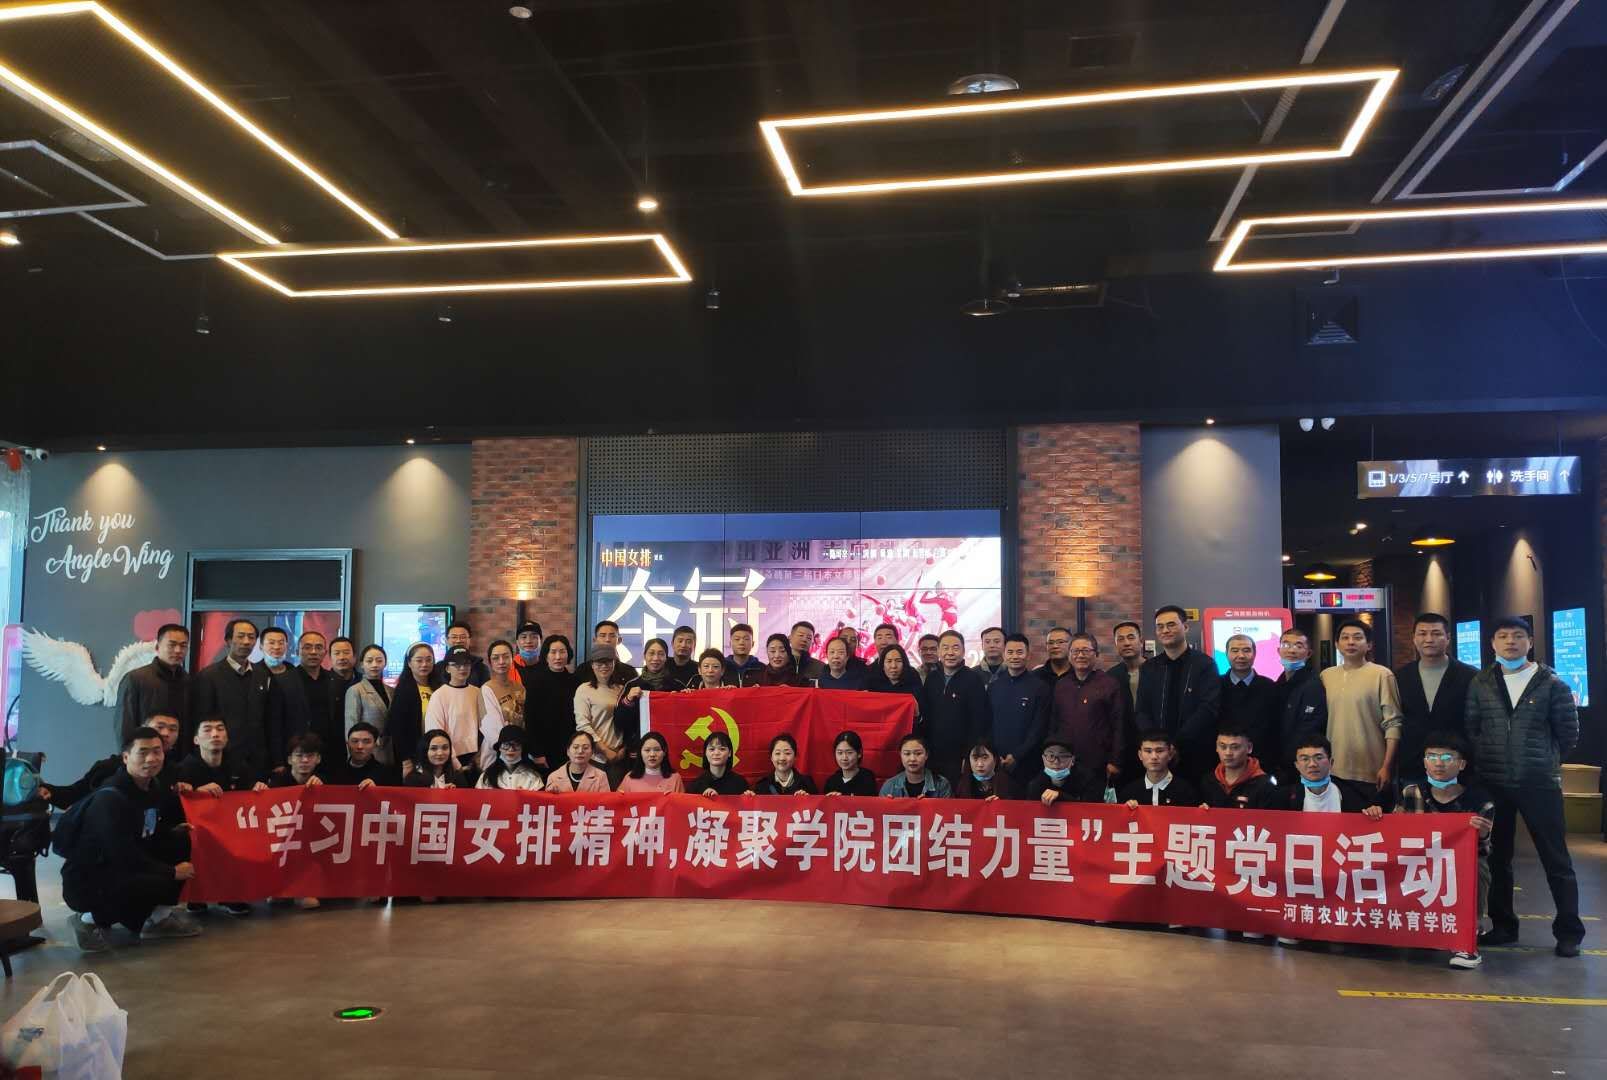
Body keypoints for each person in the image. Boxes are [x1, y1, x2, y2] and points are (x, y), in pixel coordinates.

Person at [1467, 616, 1584, 957]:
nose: (1510, 642)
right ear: (1492, 643)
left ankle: (1569, 932)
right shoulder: (1481, 682)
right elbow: (1472, 727)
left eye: (1518, 636)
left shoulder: (1551, 683)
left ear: (1530, 642)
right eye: (1503, 636)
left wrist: (1542, 761)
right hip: (1494, 782)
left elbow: (1568, 734)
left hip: (1539, 783)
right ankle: (1504, 926)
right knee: (1497, 858)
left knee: (1556, 858)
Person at [61, 726, 200, 953]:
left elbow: (145, 831)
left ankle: (158, 920)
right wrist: (171, 872)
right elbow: (122, 854)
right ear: (126, 757)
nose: (151, 759)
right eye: (142, 752)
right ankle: (88, 920)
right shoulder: (110, 798)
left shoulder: (151, 787)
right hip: (88, 879)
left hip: (119, 864)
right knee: (157, 879)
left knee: (181, 841)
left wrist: (171, 833)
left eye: (156, 751)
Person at [1398, 731, 1496, 969]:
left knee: (1478, 867)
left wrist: (1483, 835)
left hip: (1457, 868)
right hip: (1419, 865)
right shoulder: (1411, 793)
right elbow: (1394, 835)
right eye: (1432, 757)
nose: (1438, 763)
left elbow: (1484, 851)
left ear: (1461, 764)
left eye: (1447, 757)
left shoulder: (1480, 801)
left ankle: (1466, 942)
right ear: (1424, 762)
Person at [173, 716, 256, 917]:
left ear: (226, 738)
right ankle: (198, 895)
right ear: (196, 739)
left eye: (220, 729)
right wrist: (196, 793)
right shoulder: (183, 769)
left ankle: (231, 895)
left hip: (231, 829)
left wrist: (259, 790)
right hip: (196, 831)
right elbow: (173, 806)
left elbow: (250, 799)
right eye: (208, 730)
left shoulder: (239, 766)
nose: (215, 734)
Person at [1319, 619, 1403, 794]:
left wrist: (1387, 766)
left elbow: (1393, 724)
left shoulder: (1382, 675)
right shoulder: (1326, 676)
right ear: (1337, 644)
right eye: (1345, 637)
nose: (1351, 642)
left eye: (1357, 637)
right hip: (1333, 769)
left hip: (1372, 770)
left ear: (1369, 645)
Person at [1134, 605, 1221, 776]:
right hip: (1157, 755)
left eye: (1171, 625)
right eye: (1160, 626)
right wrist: (1158, 744)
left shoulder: (1205, 664)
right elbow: (1142, 710)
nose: (1165, 630)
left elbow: (1208, 708)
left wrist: (1176, 744)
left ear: (1185, 627)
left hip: (1196, 751)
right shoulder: (1149, 668)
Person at [1394, 613, 1479, 783]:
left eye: (1436, 633)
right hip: (1412, 763)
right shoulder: (1400, 676)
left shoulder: (1470, 675)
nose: (1429, 639)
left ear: (1448, 638)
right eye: (1422, 633)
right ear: (1414, 638)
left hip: (1455, 764)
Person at [42, 714, 183, 811]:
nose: (166, 733)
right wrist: (44, 790)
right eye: (159, 727)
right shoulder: (109, 768)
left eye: (173, 729)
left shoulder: (172, 770)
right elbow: (74, 795)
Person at [191, 618, 272, 777]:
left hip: (257, 757)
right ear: (228, 640)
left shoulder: (262, 675)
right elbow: (202, 719)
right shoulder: (209, 676)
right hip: (223, 757)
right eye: (240, 636)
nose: (246, 642)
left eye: (251, 637)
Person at [1049, 632, 1127, 791]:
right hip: (1065, 763)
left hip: (1098, 763)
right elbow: (1054, 723)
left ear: (1096, 654)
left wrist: (1115, 761)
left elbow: (1119, 725)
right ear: (1069, 655)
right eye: (1075, 651)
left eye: (1086, 650)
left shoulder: (1109, 684)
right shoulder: (1062, 685)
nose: (1080, 655)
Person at [919, 630, 991, 783]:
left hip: (960, 756)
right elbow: (926, 716)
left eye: (955, 648)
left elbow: (978, 721)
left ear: (963, 651)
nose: (950, 653)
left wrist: (969, 754)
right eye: (945, 648)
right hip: (932, 753)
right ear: (939, 651)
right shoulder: (932, 678)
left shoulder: (973, 679)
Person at [1264, 735, 1385, 816]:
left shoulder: (1357, 795)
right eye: (1305, 759)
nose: (1312, 764)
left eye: (1318, 757)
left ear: (1331, 762)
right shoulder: (1281, 799)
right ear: (1297, 765)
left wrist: (1373, 812)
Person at [116, 623, 192, 748]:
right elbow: (125, 726)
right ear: (157, 647)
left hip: (180, 755)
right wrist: (129, 754)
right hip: (146, 753)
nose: (178, 650)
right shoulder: (135, 679)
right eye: (172, 645)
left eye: (183, 646)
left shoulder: (188, 681)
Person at [986, 633, 1050, 781]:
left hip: (1029, 761)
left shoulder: (1040, 688)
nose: (1015, 656)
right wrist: (994, 754)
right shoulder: (994, 686)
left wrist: (1017, 755)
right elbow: (988, 723)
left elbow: (1039, 728)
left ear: (1028, 655)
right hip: (997, 761)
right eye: (1010, 652)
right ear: (1004, 655)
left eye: (1019, 652)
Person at [272, 630, 341, 765]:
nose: (313, 652)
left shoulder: (336, 681)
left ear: (325, 653)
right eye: (307, 647)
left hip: (329, 754)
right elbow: (274, 723)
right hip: (296, 754)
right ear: (297, 651)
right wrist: (277, 760)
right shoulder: (282, 681)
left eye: (318, 648)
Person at [426, 646, 495, 769]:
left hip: (477, 758)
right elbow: (435, 732)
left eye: (466, 664)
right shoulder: (439, 695)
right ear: (447, 668)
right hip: (449, 758)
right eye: (457, 665)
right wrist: (455, 763)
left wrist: (481, 754)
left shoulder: (477, 692)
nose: (462, 668)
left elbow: (486, 726)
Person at [1217, 634, 1280, 764]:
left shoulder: (1269, 687)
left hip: (1262, 761)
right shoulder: (1215, 686)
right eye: (1235, 650)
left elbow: (1275, 727)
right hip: (1224, 761)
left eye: (1246, 650)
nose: (1241, 655)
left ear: (1254, 654)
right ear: (1226, 654)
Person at [575, 645, 632, 781]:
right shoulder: (584, 689)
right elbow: (583, 725)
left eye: (608, 662)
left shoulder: (622, 689)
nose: (604, 666)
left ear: (614, 664)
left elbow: (629, 721)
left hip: (619, 757)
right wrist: (605, 750)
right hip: (594, 757)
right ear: (592, 665)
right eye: (599, 662)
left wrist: (624, 748)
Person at [526, 634, 580, 774]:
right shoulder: (535, 682)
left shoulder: (575, 682)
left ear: (568, 654)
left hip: (570, 748)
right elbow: (530, 719)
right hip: (544, 750)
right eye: (553, 652)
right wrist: (537, 752)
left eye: (562, 652)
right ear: (546, 655)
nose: (558, 657)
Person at [616, 638, 681, 746]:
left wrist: (685, 697)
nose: (656, 658)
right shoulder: (632, 685)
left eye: (661, 654)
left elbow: (686, 720)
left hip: (669, 745)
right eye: (651, 653)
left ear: (666, 658)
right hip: (640, 747)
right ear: (644, 656)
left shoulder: (676, 685)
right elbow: (619, 723)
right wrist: (628, 700)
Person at [1197, 725, 1277, 809]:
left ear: (1249, 748)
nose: (1228, 753)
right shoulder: (1209, 781)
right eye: (1223, 747)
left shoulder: (1264, 784)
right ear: (1216, 747)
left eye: (1235, 747)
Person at [386, 642, 435, 777]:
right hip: (413, 754)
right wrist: (405, 759)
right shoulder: (403, 690)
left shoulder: (438, 686)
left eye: (428, 660)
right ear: (409, 663)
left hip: (437, 751)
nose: (424, 664)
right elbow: (397, 728)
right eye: (419, 660)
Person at [1118, 730, 1200, 807]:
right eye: (1148, 751)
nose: (1154, 757)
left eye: (1159, 751)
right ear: (1140, 755)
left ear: (1170, 754)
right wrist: (1125, 811)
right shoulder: (1129, 793)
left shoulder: (1186, 792)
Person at [479, 640, 526, 769]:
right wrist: (508, 749)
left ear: (512, 659)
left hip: (519, 753)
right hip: (496, 756)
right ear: (490, 662)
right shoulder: (486, 689)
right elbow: (492, 730)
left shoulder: (519, 687)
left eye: (506, 657)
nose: (501, 661)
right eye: (496, 658)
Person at [345, 645, 394, 763]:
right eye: (369, 661)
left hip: (389, 750)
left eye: (379, 660)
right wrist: (353, 757)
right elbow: (351, 726)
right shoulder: (355, 690)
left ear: (385, 663)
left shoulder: (391, 691)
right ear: (362, 664)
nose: (374, 665)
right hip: (367, 751)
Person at [1025, 737, 1106, 805]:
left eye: (1062, 756)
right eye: (1051, 756)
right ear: (1043, 759)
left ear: (1072, 760)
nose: (1056, 762)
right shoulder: (1035, 785)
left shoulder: (1088, 780)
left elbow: (1092, 810)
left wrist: (1061, 796)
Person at [322, 723, 401, 787]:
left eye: (366, 742)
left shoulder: (386, 774)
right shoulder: (335, 772)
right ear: (347, 744)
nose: (360, 746)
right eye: (355, 741)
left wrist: (377, 789)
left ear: (375, 745)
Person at [878, 733, 952, 798]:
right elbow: (879, 809)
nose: (912, 759)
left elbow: (949, 809)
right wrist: (888, 805)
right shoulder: (889, 786)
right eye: (907, 754)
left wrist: (929, 805)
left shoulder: (941, 785)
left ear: (926, 755)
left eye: (918, 753)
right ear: (900, 755)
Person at [866, 643, 923, 723]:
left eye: (898, 661)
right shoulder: (873, 682)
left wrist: (917, 713)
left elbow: (920, 714)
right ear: (882, 664)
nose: (893, 666)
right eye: (889, 661)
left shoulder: (913, 678)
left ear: (904, 663)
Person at [476, 726, 545, 791]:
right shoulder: (487, 776)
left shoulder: (533, 777)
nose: (511, 749)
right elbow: (478, 797)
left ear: (523, 749)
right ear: (499, 748)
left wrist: (526, 796)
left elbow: (538, 798)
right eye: (506, 744)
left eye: (516, 745)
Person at [541, 732, 614, 793]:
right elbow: (548, 803)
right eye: (576, 747)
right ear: (568, 751)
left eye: (585, 748)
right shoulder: (553, 777)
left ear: (592, 752)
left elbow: (605, 803)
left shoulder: (601, 776)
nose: (580, 751)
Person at [618, 731, 686, 794]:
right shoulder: (629, 777)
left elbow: (681, 802)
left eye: (657, 750)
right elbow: (619, 801)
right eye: (647, 750)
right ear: (640, 752)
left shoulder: (675, 778)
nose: (652, 754)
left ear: (664, 752)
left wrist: (672, 798)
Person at [405, 730, 476, 790]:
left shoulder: (457, 777)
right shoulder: (413, 779)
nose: (440, 753)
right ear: (425, 751)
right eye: (433, 748)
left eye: (445, 748)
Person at [752, 733, 817, 795]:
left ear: (795, 756)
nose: (782, 758)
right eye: (777, 753)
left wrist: (807, 799)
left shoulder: (807, 784)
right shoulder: (762, 786)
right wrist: (749, 798)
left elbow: (817, 802)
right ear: (771, 757)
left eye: (787, 753)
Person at [689, 730, 749, 796]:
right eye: (712, 749)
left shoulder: (740, 783)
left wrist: (749, 797)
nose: (716, 753)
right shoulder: (695, 785)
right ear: (705, 753)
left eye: (722, 749)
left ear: (729, 753)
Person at [822, 730, 878, 796]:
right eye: (840, 753)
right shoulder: (831, 782)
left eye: (849, 753)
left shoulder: (867, 778)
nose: (844, 758)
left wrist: (843, 798)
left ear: (859, 753)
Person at [1108, 621, 1145, 713]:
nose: (1126, 643)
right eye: (1120, 639)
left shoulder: (1157, 670)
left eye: (1131, 638)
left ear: (1141, 642)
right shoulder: (1111, 676)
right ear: (1116, 645)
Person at [442, 621, 492, 687]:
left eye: (463, 637)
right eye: (454, 637)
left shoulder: (480, 668)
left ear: (469, 640)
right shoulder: (438, 668)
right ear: (446, 640)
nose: (458, 640)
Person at [327, 636, 359, 733]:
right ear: (330, 657)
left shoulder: (363, 682)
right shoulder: (322, 682)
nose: (341, 657)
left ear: (354, 656)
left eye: (346, 652)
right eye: (337, 653)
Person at [511, 620, 544, 685]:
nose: (528, 641)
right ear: (517, 642)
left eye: (533, 637)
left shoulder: (549, 666)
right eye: (524, 637)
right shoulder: (509, 667)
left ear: (541, 640)